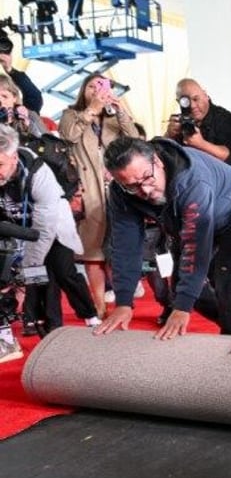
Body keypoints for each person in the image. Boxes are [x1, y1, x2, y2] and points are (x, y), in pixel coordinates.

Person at [95, 137, 231, 338]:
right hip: (190, 217)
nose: (144, 191)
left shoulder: (192, 180)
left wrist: (182, 308)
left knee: (224, 281)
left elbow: (195, 246)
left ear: (157, 161)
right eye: (132, 186)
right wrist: (124, 302)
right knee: (185, 288)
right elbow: (124, 246)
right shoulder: (120, 193)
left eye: (147, 178)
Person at [0, 125, 100, 335]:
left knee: (63, 272)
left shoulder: (38, 174)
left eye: (0, 164)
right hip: (21, 227)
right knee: (39, 278)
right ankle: (45, 323)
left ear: (14, 157)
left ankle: (90, 315)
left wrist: (30, 263)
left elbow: (44, 230)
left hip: (53, 227)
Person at [58, 72, 140, 318]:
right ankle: (100, 306)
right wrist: (91, 110)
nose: (96, 90)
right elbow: (68, 135)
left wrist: (120, 110)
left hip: (116, 190)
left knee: (118, 250)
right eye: (91, 86)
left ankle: (123, 304)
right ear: (83, 90)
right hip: (88, 191)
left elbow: (135, 139)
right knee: (93, 253)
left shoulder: (114, 117)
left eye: (102, 86)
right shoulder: (71, 114)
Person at [165, 78, 231, 179]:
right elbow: (162, 155)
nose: (192, 106)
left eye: (196, 99)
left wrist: (201, 144)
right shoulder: (180, 122)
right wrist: (169, 135)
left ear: (205, 95)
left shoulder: (225, 119)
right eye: (186, 102)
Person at [0, 42, 43, 115]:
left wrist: (10, 69)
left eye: (5, 96)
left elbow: (34, 96)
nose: (1, 101)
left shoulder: (24, 118)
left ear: (14, 98)